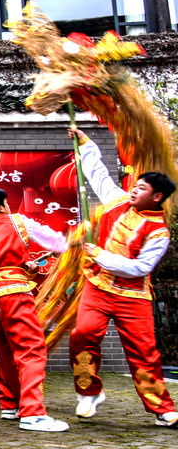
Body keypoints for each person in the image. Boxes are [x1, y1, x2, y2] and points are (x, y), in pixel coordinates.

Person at [67, 129, 177, 427]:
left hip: (133, 296)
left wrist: (99, 254)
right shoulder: (116, 201)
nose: (133, 191)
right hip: (98, 288)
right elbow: (97, 174)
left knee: (144, 352)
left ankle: (162, 407)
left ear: (157, 197)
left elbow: (141, 268)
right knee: (83, 335)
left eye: (141, 189)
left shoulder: (159, 232)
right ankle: (88, 392)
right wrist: (86, 143)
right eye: (135, 185)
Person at [0, 187, 69, 432]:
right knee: (31, 350)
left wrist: (25, 264)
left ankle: (10, 404)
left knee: (5, 352)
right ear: (2, 207)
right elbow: (57, 242)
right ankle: (33, 412)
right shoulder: (18, 221)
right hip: (15, 294)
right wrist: (65, 245)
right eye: (7, 204)